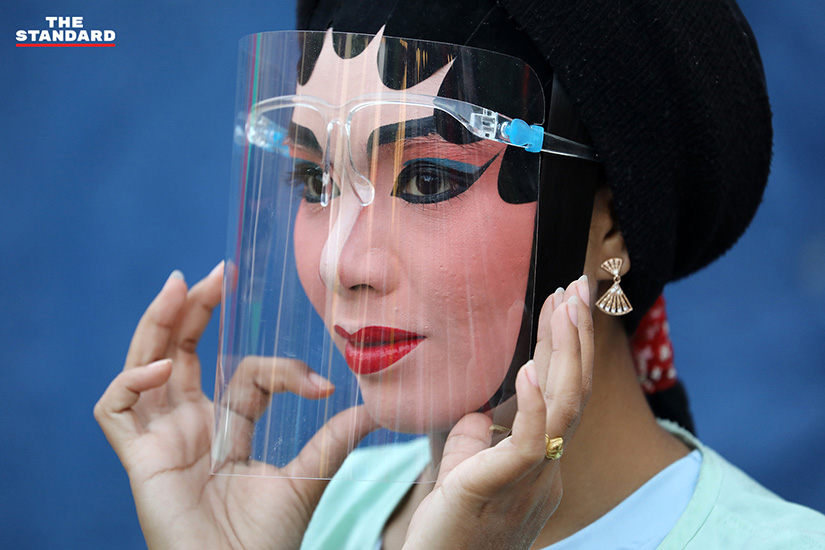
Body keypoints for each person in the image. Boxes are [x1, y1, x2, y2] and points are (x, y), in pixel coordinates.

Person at [94, 0, 825, 548]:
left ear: (611, 221)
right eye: (314, 182)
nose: (339, 262)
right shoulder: (297, 514)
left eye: (427, 181)